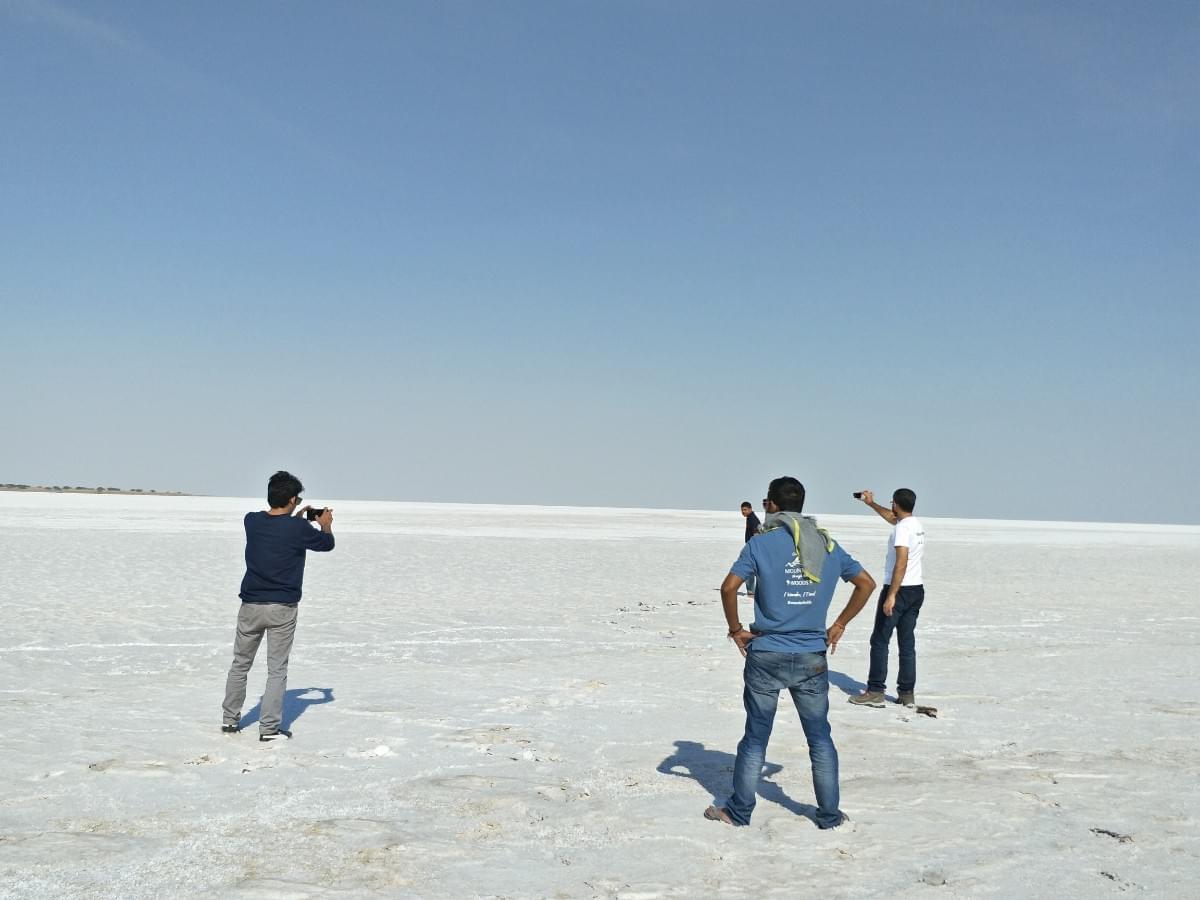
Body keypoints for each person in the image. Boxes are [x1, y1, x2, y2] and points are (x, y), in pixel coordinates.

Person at [706, 477, 876, 828]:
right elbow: (867, 584)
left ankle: (739, 811)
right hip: (812, 655)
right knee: (819, 739)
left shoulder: (760, 544)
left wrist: (736, 630)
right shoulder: (827, 545)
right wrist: (840, 623)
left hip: (766, 653)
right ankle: (829, 815)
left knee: (755, 736)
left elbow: (728, 588)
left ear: (770, 505)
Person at [221, 471, 335, 741]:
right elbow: (326, 544)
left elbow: (276, 526)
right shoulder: (299, 529)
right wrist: (325, 523)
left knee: (240, 665)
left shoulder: (252, 521)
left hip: (250, 605)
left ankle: (229, 721)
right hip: (282, 607)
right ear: (294, 499)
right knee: (277, 669)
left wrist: (293, 518)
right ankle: (269, 729)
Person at [849, 488, 925, 708]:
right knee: (907, 643)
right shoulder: (914, 524)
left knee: (880, 641)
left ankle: (875, 690)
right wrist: (871, 503)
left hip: (899, 590)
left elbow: (901, 562)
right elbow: (892, 518)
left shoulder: (903, 529)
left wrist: (891, 595)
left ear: (896, 504)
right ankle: (906, 692)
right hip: (916, 589)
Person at [739, 501, 761, 598]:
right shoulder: (750, 518)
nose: (743, 512)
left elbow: (757, 535)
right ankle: (751, 591)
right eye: (742, 510)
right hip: (751, 547)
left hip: (753, 548)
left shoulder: (753, 519)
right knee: (751, 569)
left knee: (749, 568)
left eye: (745, 509)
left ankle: (751, 591)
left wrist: (753, 549)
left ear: (750, 509)